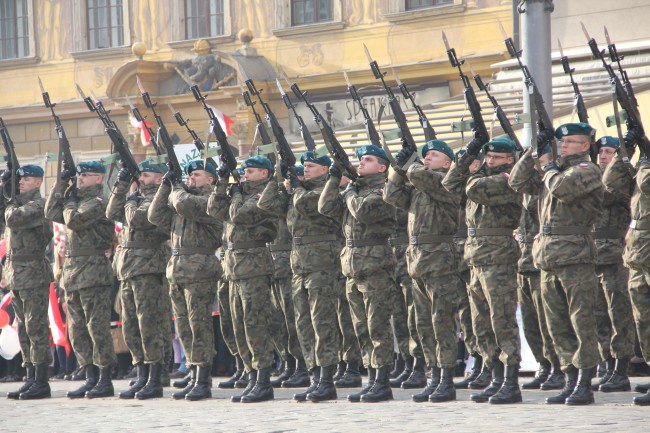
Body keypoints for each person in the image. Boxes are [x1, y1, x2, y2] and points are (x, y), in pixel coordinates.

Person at [510, 123, 603, 406]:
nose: (563, 146)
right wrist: (533, 152)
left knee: (581, 323)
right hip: (547, 258)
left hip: (575, 257)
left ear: (585, 146)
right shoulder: (555, 171)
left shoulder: (587, 171)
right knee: (556, 325)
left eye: (570, 142)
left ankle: (585, 383)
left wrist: (548, 166)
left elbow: (562, 189)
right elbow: (516, 182)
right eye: (560, 141)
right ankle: (569, 379)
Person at [258, 151, 343, 402]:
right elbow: (266, 204)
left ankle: (327, 379)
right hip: (299, 267)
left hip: (322, 265)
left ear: (325, 169)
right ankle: (314, 376)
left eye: (310, 166)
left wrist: (294, 187)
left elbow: (310, 205)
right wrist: (278, 177)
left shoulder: (328, 189)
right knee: (303, 325)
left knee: (322, 323)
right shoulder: (298, 190)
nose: (304, 170)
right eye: (303, 166)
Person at [443, 136, 522, 405]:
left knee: (502, 321)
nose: (490, 161)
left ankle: (511, 382)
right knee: (481, 324)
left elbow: (473, 189)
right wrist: (467, 155)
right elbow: (450, 183)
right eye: (488, 157)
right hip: (476, 258)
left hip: (498, 257)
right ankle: (495, 377)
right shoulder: (479, 177)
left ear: (509, 160)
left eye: (496, 158)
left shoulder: (509, 178)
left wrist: (472, 170)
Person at [318, 144, 396, 403]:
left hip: (375, 266)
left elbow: (362, 211)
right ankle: (371, 379)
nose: (361, 163)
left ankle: (382, 382)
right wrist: (333, 177)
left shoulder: (384, 190)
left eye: (368, 160)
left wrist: (350, 189)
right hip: (352, 267)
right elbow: (325, 207)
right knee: (361, 328)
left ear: (382, 167)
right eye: (360, 159)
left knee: (377, 327)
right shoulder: (358, 190)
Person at [384, 139, 460, 403]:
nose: (427, 158)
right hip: (417, 260)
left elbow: (418, 175)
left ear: (447, 163)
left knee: (441, 322)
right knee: (423, 323)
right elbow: (392, 195)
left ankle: (447, 381)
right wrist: (396, 168)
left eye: (434, 155)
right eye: (425, 155)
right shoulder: (420, 185)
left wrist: (409, 163)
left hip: (439, 259)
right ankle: (434, 376)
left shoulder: (445, 182)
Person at [147, 160, 222, 401]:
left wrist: (176, 186)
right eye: (188, 175)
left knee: (198, 324)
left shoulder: (210, 201)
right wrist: (165, 186)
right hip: (178, 269)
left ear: (210, 179)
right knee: (184, 327)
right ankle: (192, 371)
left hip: (199, 269)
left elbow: (181, 203)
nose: (191, 178)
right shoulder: (184, 200)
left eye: (196, 175)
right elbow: (155, 214)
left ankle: (203, 378)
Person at [207, 155, 278, 403]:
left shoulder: (266, 194)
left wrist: (235, 193)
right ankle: (250, 375)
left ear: (265, 174)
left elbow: (238, 215)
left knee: (255, 324)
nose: (245, 174)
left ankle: (263, 381)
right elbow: (214, 209)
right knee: (238, 326)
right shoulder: (240, 192)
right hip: (234, 269)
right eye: (244, 170)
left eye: (251, 171)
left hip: (254, 267)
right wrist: (222, 182)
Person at [44, 161, 117, 399]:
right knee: (76, 329)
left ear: (99, 179)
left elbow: (74, 220)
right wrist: (61, 183)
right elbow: (51, 212)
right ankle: (89, 376)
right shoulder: (75, 201)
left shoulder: (99, 203)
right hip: (74, 272)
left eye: (86, 175)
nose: (81, 178)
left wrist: (71, 200)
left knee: (97, 328)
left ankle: (105, 379)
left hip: (93, 270)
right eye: (79, 175)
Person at [106, 160, 170, 399]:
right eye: (139, 175)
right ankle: (141, 372)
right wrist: (122, 183)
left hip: (148, 266)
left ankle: (155, 375)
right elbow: (112, 212)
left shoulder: (161, 197)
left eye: (146, 175)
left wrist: (131, 196)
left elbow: (137, 220)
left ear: (159, 178)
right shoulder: (135, 197)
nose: (141, 179)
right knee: (131, 325)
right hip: (128, 267)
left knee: (148, 324)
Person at [602, 127, 650, 406]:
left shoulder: (645, 170)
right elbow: (611, 182)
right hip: (638, 256)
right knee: (643, 321)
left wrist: (643, 162)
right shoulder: (642, 165)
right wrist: (625, 153)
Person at [511, 145, 565, 392]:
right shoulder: (529, 183)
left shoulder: (551, 180)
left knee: (547, 322)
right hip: (524, 259)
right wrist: (527, 156)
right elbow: (516, 180)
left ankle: (557, 367)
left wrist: (546, 165)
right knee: (531, 323)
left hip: (542, 259)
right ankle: (543, 364)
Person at [2, 164, 54, 400]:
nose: (21, 182)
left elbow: (13, 218)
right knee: (22, 327)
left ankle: (42, 381)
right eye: (19, 180)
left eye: (26, 179)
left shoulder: (39, 205)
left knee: (36, 327)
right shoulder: (19, 202)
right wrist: (5, 188)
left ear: (38, 182)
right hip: (17, 272)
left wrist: (11, 198)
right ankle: (30, 376)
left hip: (33, 272)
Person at [590, 136, 636, 393]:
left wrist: (620, 160)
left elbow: (606, 195)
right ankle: (606, 365)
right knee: (599, 315)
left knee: (618, 314)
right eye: (601, 151)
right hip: (594, 254)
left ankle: (621, 368)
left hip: (616, 254)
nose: (603, 155)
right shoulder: (592, 176)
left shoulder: (621, 178)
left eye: (610, 152)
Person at [452, 150, 486, 390]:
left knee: (481, 315)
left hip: (478, 256)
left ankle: (486, 364)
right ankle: (475, 362)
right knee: (467, 317)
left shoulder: (482, 184)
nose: (467, 166)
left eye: (472, 161)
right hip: (459, 258)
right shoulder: (454, 184)